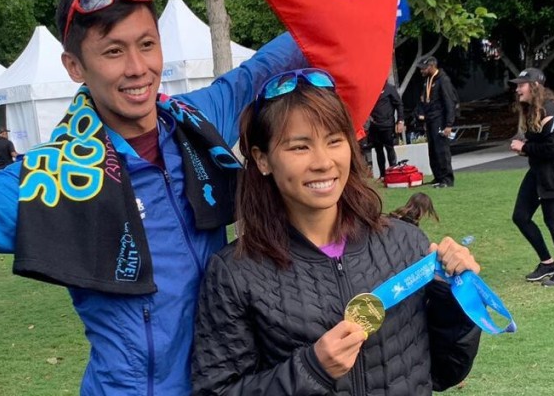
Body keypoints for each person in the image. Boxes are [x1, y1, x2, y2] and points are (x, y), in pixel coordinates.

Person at [0, 0, 306, 395]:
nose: (138, 68)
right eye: (113, 51)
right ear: (75, 66)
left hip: (230, 382)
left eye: (147, 45)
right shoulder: (55, 180)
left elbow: (263, 69)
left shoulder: (196, 125)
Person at [192, 69, 481, 394]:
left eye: (334, 141)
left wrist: (452, 297)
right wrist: (310, 370)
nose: (323, 162)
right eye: (300, 147)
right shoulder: (236, 274)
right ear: (263, 160)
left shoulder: (405, 245)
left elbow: (445, 371)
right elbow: (216, 390)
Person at [508, 67, 554, 287]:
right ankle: (547, 263)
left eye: (521, 85)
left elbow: (553, 148)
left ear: (535, 86)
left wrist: (525, 147)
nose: (517, 89)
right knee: (520, 216)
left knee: (553, 220)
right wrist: (524, 147)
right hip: (538, 172)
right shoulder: (532, 109)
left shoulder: (551, 109)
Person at [416, 56, 457, 188]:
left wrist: (449, 124)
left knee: (442, 150)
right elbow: (424, 99)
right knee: (432, 150)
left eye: (423, 68)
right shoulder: (427, 80)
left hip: (440, 119)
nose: (421, 71)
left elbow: (449, 102)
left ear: (432, 66)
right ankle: (438, 176)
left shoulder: (443, 80)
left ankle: (447, 179)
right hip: (430, 120)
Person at [365, 80, 405, 178]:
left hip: (387, 125)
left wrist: (400, 121)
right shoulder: (371, 89)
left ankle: (393, 173)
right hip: (375, 125)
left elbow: (399, 104)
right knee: (378, 151)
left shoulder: (389, 88)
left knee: (389, 148)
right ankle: (382, 175)